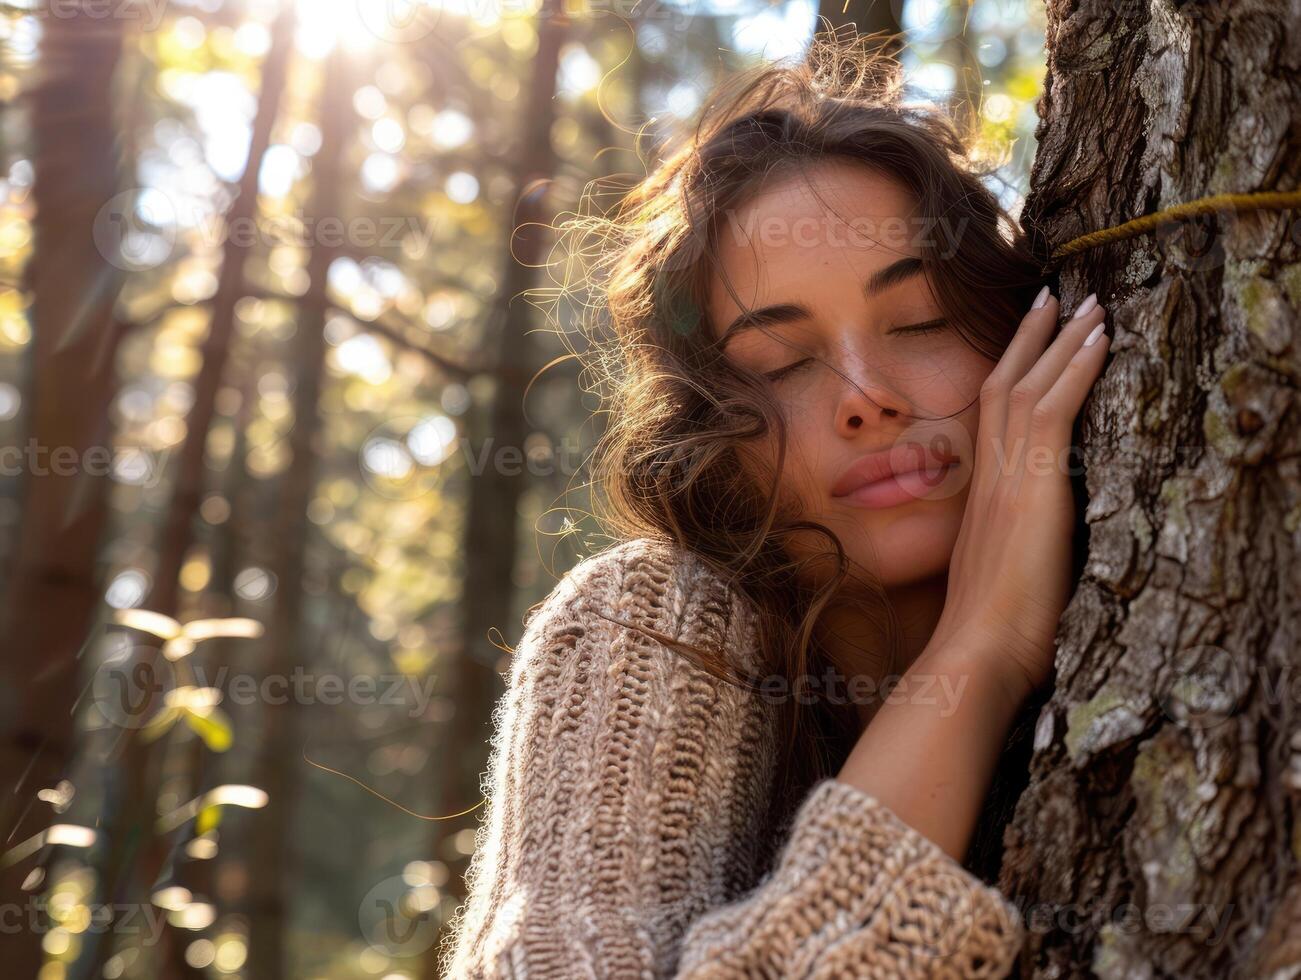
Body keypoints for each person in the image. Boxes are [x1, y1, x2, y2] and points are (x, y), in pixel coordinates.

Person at [439, 27, 1110, 979]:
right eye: (780, 362)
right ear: (716, 441)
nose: (863, 394)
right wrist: (984, 648)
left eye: (918, 320)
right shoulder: (650, 629)